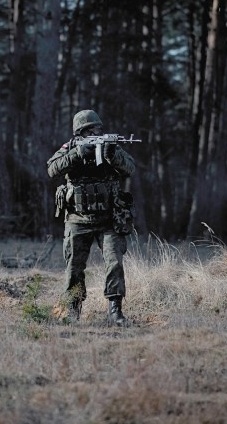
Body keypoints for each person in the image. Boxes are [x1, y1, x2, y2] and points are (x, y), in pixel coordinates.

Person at [47, 109, 136, 326]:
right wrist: (78, 154)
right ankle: (73, 310)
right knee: (74, 268)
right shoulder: (69, 148)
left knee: (114, 263)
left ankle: (115, 311)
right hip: (78, 219)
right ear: (80, 132)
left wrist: (112, 154)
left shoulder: (109, 147)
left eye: (98, 129)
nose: (96, 132)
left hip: (109, 219)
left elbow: (130, 168)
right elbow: (52, 169)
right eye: (91, 130)